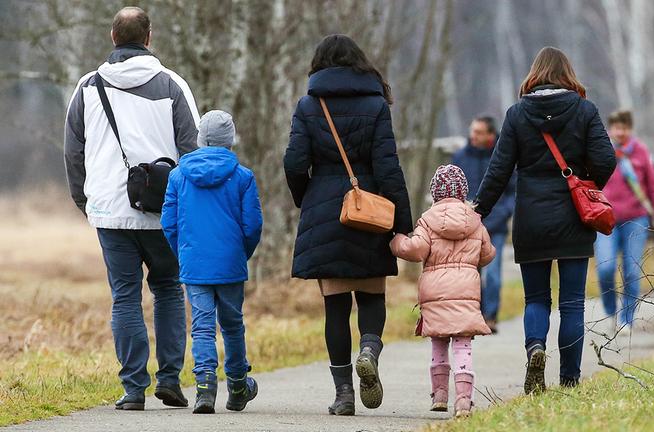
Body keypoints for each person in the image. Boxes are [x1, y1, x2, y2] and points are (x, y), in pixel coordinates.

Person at [63, 6, 199, 410]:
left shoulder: (88, 86)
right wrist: (186, 207)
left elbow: (74, 151)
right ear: (149, 37)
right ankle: (170, 379)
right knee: (169, 292)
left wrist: (84, 201)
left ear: (112, 37)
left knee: (125, 296)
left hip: (109, 210)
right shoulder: (173, 85)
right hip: (163, 211)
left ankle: (133, 389)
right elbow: (192, 150)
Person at [283, 34, 412, 416]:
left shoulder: (309, 105)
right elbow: (389, 167)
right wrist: (400, 224)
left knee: (335, 308)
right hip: (370, 210)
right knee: (372, 295)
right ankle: (369, 349)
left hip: (325, 211)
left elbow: (293, 163)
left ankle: (343, 395)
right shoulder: (376, 105)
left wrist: (307, 198)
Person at [474, 47, 616, 393]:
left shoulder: (517, 114)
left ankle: (535, 348)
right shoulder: (584, 111)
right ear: (568, 74)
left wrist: (477, 211)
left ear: (534, 75)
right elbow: (607, 160)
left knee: (536, 299)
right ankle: (569, 380)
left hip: (531, 218)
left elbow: (498, 171)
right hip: (574, 218)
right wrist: (587, 183)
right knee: (572, 303)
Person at [161, 111, 263, 414]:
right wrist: (239, 253)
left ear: (200, 138)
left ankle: (205, 388)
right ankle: (237, 386)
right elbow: (253, 226)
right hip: (230, 261)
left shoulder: (178, 175)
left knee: (202, 328)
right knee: (232, 326)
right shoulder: (243, 176)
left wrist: (184, 253)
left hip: (194, 263)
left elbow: (169, 223)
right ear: (230, 140)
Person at [390, 164, 495, 418]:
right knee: (463, 346)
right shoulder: (475, 221)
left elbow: (415, 250)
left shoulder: (428, 221)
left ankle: (439, 396)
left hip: (435, 294)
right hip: (466, 292)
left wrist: (396, 241)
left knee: (438, 342)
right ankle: (463, 400)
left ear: (435, 193)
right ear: (463, 192)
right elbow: (487, 254)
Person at [595, 110, 654, 330]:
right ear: (610, 129)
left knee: (631, 271)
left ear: (630, 129)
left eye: (624, 128)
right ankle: (610, 309)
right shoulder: (601, 150)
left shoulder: (640, 152)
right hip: (605, 219)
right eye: (616, 127)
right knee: (606, 267)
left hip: (636, 219)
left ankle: (626, 317)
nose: (620, 132)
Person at [452, 116, 516, 333]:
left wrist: (503, 212)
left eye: (479, 132)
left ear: (490, 135)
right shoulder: (460, 157)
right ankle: (474, 316)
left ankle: (491, 316)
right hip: (465, 226)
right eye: (473, 131)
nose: (473, 136)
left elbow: (512, 191)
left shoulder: (503, 155)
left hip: (495, 225)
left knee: (494, 274)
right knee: (470, 274)